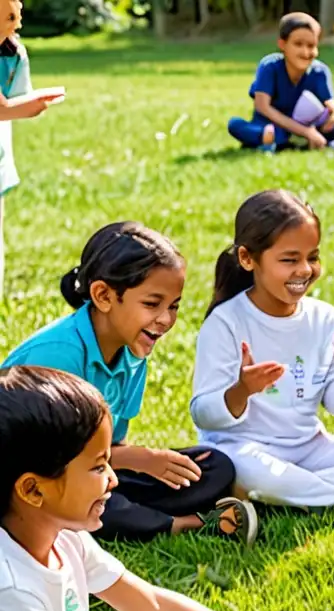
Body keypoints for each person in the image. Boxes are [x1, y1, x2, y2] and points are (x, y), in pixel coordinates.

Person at [0, 366, 323, 611]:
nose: (114, 480)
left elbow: (150, 603)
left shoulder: (64, 534)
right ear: (33, 489)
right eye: (99, 467)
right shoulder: (8, 585)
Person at [2, 222, 254, 545]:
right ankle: (187, 524)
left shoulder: (134, 353)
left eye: (173, 306)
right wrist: (140, 459)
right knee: (97, 501)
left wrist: (147, 462)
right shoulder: (55, 357)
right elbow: (40, 462)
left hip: (90, 474)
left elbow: (108, 453)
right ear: (104, 296)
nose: (165, 319)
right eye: (152, 304)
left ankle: (139, 513)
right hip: (30, 483)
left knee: (213, 466)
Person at [191, 189, 334, 516]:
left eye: (312, 257)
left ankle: (302, 493)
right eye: (289, 259)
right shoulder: (226, 322)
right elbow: (202, 412)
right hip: (244, 450)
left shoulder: (322, 316)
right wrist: (242, 390)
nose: (305, 269)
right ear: (247, 258)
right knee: (252, 472)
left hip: (311, 449)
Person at [0, 0, 65, 297]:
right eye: (8, 17)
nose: (17, 25)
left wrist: (30, 105)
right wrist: (26, 108)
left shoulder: (11, 55)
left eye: (17, 16)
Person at [227, 12, 334, 154]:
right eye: (298, 44)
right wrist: (305, 132)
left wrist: (332, 119)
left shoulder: (320, 71)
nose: (305, 51)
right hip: (272, 125)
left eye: (311, 45)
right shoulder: (269, 66)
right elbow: (262, 106)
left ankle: (283, 143)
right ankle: (275, 139)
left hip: (310, 126)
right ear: (282, 44)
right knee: (235, 124)